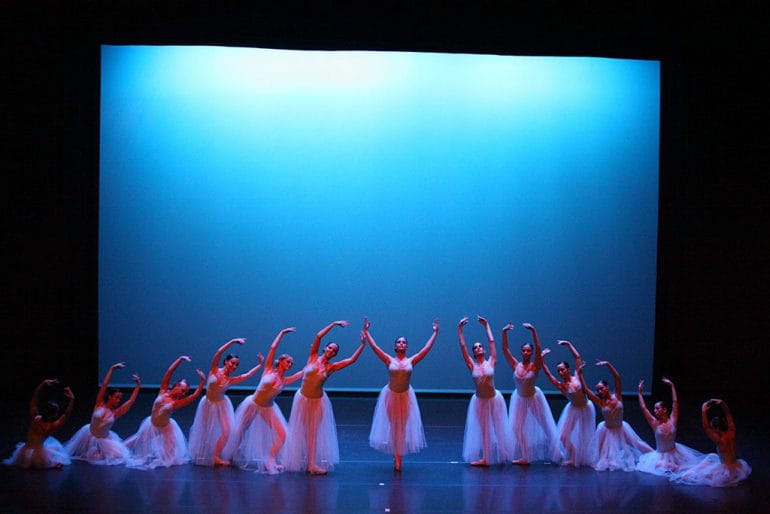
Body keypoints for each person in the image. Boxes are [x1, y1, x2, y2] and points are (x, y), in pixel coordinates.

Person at [283, 320, 365, 474]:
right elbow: (318, 336)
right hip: (302, 399)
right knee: (300, 430)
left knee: (313, 432)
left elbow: (351, 360)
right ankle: (297, 458)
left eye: (334, 351)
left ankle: (311, 465)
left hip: (318, 401)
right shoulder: (313, 356)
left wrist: (362, 345)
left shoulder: (331, 367)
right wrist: (334, 324)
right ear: (324, 348)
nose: (331, 351)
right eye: (330, 348)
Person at [224, 327, 304, 473]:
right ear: (280, 361)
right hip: (253, 403)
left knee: (283, 434)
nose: (290, 365)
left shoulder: (284, 380)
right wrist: (282, 333)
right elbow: (273, 348)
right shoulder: (268, 370)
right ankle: (230, 454)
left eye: (291, 363)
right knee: (241, 429)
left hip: (268, 408)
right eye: (288, 361)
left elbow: (302, 373)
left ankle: (270, 459)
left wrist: (313, 359)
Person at [366, 318, 438, 471]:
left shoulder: (412, 360)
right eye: (399, 342)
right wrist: (366, 332)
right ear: (395, 346)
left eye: (404, 342)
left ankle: (399, 457)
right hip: (390, 395)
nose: (401, 344)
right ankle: (396, 454)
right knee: (394, 426)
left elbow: (426, 348)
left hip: (405, 396)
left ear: (406, 346)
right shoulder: (388, 360)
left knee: (403, 427)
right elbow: (374, 347)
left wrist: (435, 333)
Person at [188, 338, 264, 466]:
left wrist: (260, 365)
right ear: (226, 361)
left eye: (236, 365)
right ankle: (200, 452)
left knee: (228, 431)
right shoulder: (214, 370)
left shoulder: (230, 379)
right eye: (232, 363)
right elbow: (218, 352)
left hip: (222, 404)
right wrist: (233, 341)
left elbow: (247, 375)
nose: (234, 366)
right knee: (205, 430)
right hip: (208, 404)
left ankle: (216, 456)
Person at [125, 356, 206, 469]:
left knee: (169, 458)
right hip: (152, 425)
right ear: (176, 385)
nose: (183, 394)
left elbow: (194, 396)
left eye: (185, 392)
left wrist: (202, 381)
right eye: (183, 390)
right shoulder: (163, 390)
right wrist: (180, 359)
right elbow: (169, 371)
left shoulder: (176, 402)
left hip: (166, 428)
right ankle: (119, 451)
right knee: (136, 440)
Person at [501, 322, 561, 465]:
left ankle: (558, 452)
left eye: (528, 351)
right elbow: (505, 349)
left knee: (545, 425)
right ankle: (525, 455)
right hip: (520, 399)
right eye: (524, 350)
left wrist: (534, 331)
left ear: (532, 353)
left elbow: (538, 347)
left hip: (534, 398)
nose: (526, 353)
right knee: (516, 428)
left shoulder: (535, 366)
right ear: (521, 352)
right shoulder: (516, 365)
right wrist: (504, 332)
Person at [577, 359, 652, 471]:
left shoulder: (617, 396)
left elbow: (617, 378)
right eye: (598, 390)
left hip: (621, 427)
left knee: (638, 443)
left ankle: (656, 455)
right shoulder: (600, 402)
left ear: (607, 387)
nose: (600, 391)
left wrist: (608, 364)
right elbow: (586, 390)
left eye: (601, 388)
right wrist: (580, 374)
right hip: (607, 430)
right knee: (604, 457)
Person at [65, 362, 141, 465]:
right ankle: (93, 451)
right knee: (86, 454)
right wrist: (112, 369)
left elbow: (130, 401)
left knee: (120, 456)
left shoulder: (115, 413)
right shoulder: (99, 404)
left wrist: (138, 386)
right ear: (109, 397)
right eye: (116, 397)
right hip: (89, 435)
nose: (118, 400)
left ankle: (100, 451)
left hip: (104, 439)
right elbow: (104, 384)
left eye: (120, 399)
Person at [457, 316, 508, 466]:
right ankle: (486, 458)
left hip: (494, 399)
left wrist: (487, 326)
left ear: (484, 350)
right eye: (475, 348)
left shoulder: (491, 361)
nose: (478, 348)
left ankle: (503, 454)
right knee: (484, 429)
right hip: (480, 401)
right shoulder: (471, 365)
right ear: (474, 352)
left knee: (498, 427)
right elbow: (463, 347)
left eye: (480, 346)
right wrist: (460, 330)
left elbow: (492, 342)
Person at [671, 399, 751, 486]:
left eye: (713, 428)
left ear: (716, 428)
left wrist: (704, 411)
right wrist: (723, 404)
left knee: (705, 474)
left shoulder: (719, 440)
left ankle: (688, 473)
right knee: (712, 457)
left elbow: (706, 427)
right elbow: (729, 415)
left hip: (727, 472)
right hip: (737, 466)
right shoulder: (732, 431)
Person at [540, 340, 596, 467]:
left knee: (584, 435)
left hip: (586, 407)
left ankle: (583, 457)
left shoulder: (577, 375)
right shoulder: (562, 385)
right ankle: (575, 457)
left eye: (562, 370)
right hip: (573, 409)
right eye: (558, 371)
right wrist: (542, 359)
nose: (560, 373)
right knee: (563, 436)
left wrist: (568, 344)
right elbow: (548, 374)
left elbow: (577, 357)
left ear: (568, 369)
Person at [635, 377, 702, 475]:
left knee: (686, 466)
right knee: (661, 465)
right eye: (654, 409)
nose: (655, 411)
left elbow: (675, 403)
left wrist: (672, 386)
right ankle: (673, 467)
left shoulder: (673, 420)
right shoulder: (654, 423)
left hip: (675, 453)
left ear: (665, 410)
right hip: (660, 455)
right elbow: (644, 408)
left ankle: (676, 467)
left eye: (657, 408)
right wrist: (639, 393)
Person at [4, 379, 74, 469]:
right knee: (55, 447)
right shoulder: (51, 426)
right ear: (54, 414)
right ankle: (54, 463)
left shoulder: (35, 419)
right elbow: (66, 415)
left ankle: (47, 463)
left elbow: (33, 400)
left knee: (51, 446)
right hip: (38, 458)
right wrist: (72, 399)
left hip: (24, 454)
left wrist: (42, 384)